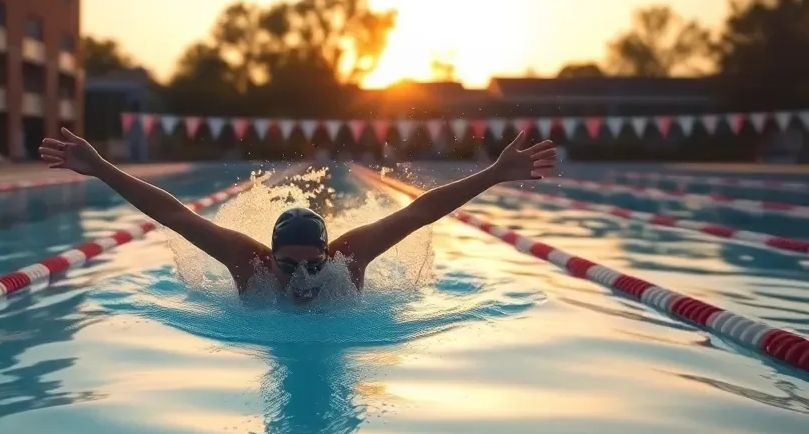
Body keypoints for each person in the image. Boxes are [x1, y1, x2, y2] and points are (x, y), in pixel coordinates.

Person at [39, 127, 556, 302]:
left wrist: (492, 174)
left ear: (330, 253)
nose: (304, 278)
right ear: (272, 256)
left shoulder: (347, 261)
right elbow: (175, 215)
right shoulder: (251, 265)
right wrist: (103, 168)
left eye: (315, 263)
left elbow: (420, 212)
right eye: (291, 265)